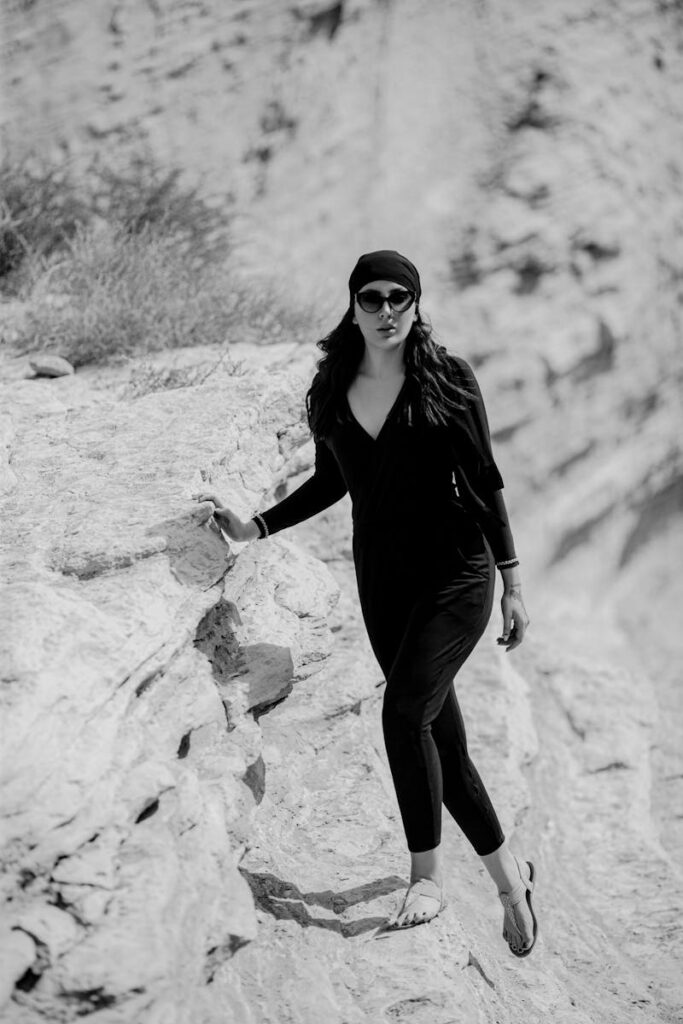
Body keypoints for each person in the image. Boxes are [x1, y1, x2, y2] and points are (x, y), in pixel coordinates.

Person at [198, 250, 537, 955]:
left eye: (398, 298)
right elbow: (332, 481)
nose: (386, 311)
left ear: (416, 305)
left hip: (456, 575)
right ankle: (511, 883)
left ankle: (425, 880)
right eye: (372, 297)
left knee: (403, 714)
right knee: (440, 741)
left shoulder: (447, 378)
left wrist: (512, 580)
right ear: (352, 306)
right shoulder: (331, 387)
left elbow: (484, 477)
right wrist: (254, 527)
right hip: (382, 580)